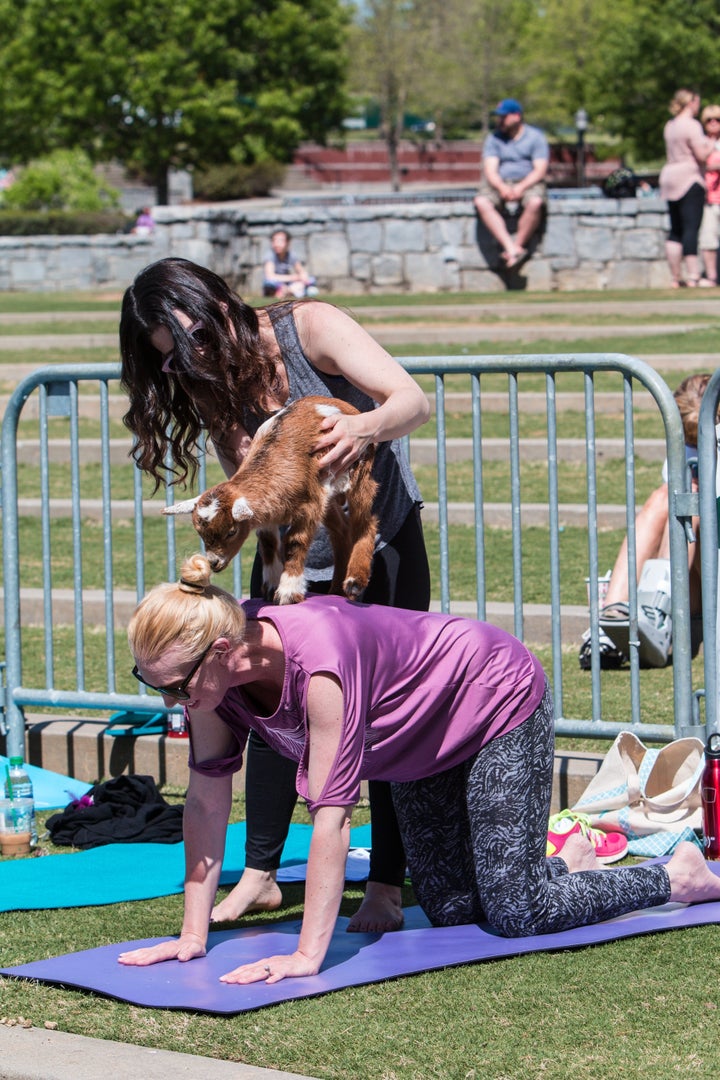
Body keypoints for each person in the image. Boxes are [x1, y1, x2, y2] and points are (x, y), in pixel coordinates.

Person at [118, 554, 720, 986]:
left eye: (174, 686)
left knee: (516, 912)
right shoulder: (212, 687)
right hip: (414, 745)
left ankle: (678, 875)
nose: (171, 701)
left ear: (222, 652)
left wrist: (308, 956)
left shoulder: (319, 665)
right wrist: (192, 938)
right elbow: (203, 804)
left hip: (492, 698)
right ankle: (565, 866)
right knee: (452, 906)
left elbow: (330, 820)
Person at [119, 256, 431, 934]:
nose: (188, 366)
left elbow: (412, 401)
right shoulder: (209, 385)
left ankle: (384, 884)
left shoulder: (310, 327)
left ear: (218, 311)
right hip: (289, 555)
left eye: (193, 344)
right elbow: (256, 483)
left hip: (375, 542)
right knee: (263, 703)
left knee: (382, 716)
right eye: (171, 362)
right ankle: (259, 875)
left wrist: (362, 428)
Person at [579, 374, 710, 670]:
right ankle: (610, 619)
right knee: (664, 497)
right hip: (688, 569)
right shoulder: (685, 448)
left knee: (692, 500)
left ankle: (655, 615)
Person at [473, 98, 549, 270]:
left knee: (535, 202)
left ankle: (517, 246)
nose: (499, 120)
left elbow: (540, 170)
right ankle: (510, 247)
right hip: (500, 183)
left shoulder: (535, 137)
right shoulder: (493, 139)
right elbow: (490, 170)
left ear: (517, 116)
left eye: (503, 117)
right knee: (481, 202)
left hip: (528, 182)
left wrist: (521, 187)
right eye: (498, 117)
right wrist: (502, 187)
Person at [659, 89, 711, 288]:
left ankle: (675, 277)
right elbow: (701, 155)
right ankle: (693, 276)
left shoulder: (669, 125)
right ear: (690, 103)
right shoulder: (691, 125)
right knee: (691, 227)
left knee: (675, 229)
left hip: (670, 175)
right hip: (689, 177)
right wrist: (711, 144)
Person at [262, 228, 318, 298]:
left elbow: (301, 272)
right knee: (269, 283)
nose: (276, 244)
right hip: (276, 284)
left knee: (311, 280)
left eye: (280, 241)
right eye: (274, 241)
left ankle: (287, 291)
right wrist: (293, 277)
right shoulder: (270, 256)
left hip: (288, 284)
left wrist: (303, 277)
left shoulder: (291, 255)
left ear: (288, 242)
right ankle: (292, 291)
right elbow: (270, 276)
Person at [699, 104, 720, 286]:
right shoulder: (701, 143)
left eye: (718, 120)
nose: (714, 123)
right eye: (709, 120)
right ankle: (712, 277)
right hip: (708, 199)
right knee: (708, 239)